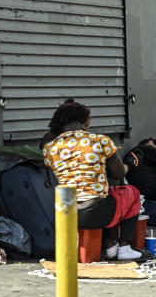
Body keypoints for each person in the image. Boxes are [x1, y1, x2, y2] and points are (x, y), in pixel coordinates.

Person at [42, 99, 143, 260]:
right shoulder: (101, 141)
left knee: (107, 193)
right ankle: (125, 246)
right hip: (97, 213)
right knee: (131, 192)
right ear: (83, 121)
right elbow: (118, 175)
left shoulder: (50, 148)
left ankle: (110, 245)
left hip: (67, 214)